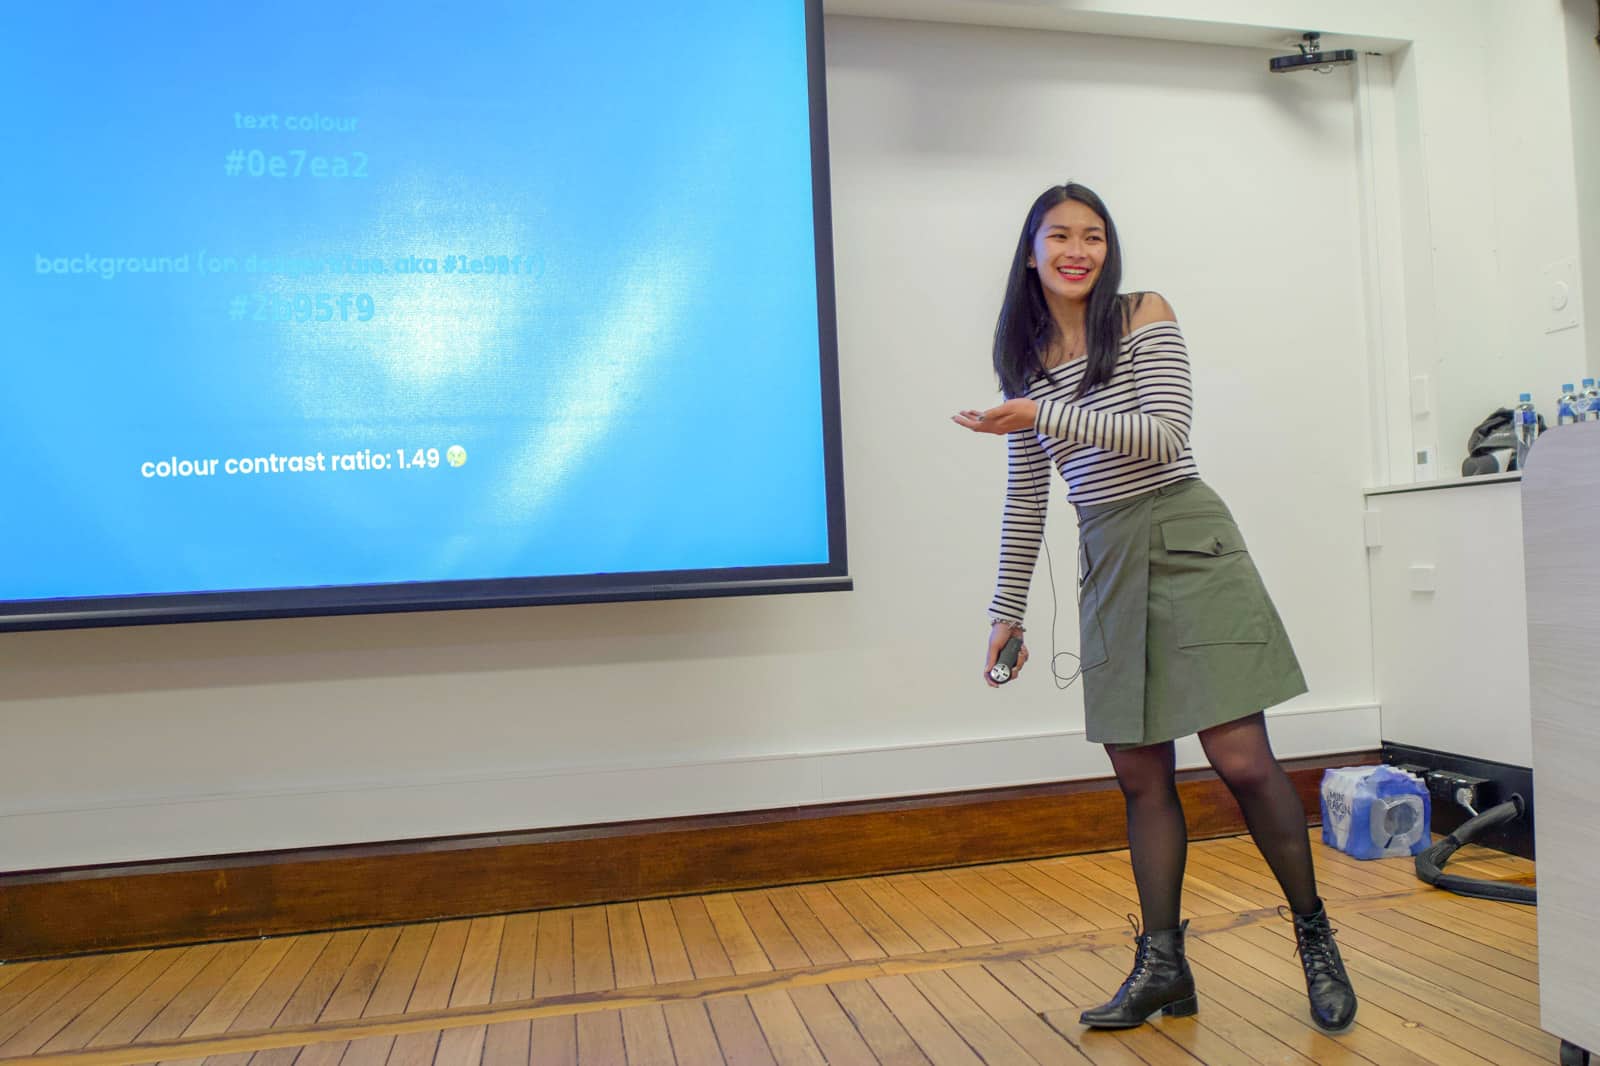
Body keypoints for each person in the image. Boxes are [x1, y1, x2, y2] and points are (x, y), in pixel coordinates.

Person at [951, 182, 1358, 1033]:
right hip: (1105, 552)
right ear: (1030, 253)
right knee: (1141, 775)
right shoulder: (1022, 363)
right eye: (1059, 236)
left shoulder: (1142, 314)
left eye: (1093, 236)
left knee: (1243, 758)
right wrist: (1007, 611)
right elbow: (1030, 495)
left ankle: (1316, 939)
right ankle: (1164, 966)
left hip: (1184, 536)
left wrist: (1041, 411)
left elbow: (1166, 436)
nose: (1078, 250)